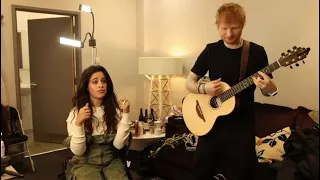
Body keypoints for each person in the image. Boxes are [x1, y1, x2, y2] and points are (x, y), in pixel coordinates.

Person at [186, 3, 278, 180]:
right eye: (224, 28)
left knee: (241, 173)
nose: (229, 34)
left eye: (235, 28)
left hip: (241, 126)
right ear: (217, 26)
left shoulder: (257, 52)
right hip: (211, 124)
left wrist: (270, 88)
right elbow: (189, 82)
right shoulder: (211, 51)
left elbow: (269, 90)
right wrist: (204, 88)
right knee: (201, 171)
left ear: (242, 26)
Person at [64, 65, 131, 180]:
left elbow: (118, 145)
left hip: (111, 162)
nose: (101, 85)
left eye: (103, 81)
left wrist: (126, 114)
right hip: (85, 163)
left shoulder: (115, 111)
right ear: (87, 87)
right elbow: (78, 151)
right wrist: (79, 123)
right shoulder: (76, 113)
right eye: (95, 82)